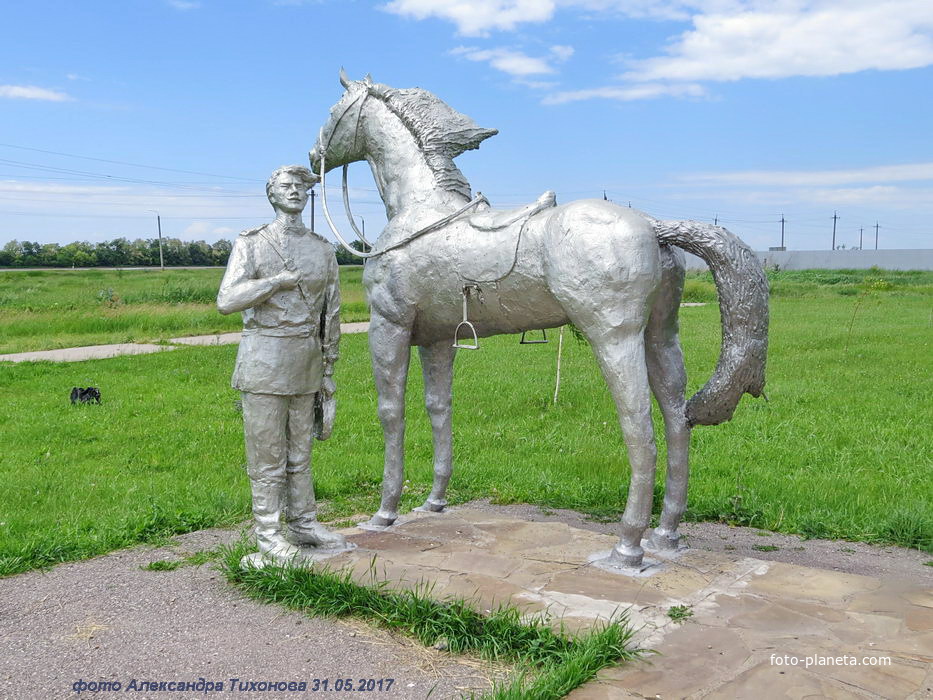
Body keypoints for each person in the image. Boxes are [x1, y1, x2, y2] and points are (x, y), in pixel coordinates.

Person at [217, 165, 346, 563]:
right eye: (286, 186)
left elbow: (332, 312)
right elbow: (227, 300)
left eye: (301, 187)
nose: (294, 191)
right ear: (271, 194)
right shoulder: (252, 244)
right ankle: (269, 535)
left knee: (300, 453)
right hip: (264, 360)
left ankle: (304, 524)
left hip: (305, 360)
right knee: (267, 456)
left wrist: (328, 369)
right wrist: (274, 282)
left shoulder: (323, 249)